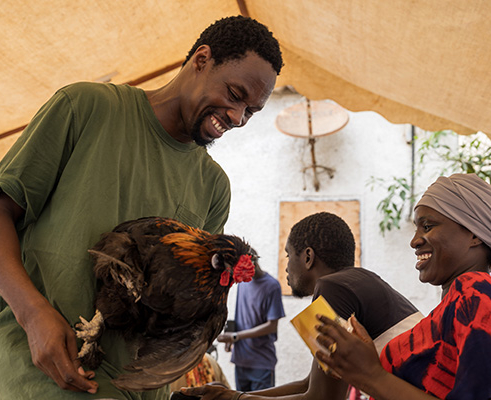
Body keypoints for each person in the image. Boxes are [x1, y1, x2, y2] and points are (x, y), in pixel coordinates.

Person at [0, 15, 283, 400]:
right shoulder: (86, 108)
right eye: (234, 95)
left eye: (251, 111)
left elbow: (181, 311)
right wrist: (32, 314)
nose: (237, 118)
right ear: (201, 59)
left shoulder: (213, 187)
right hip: (38, 382)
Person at [182, 211, 423, 400]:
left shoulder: (332, 286)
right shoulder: (361, 279)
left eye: (288, 255)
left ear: (308, 257)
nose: (286, 267)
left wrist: (235, 399)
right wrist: (233, 395)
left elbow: (321, 398)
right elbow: (311, 384)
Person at [314, 173, 491, 400]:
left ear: (473, 235)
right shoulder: (454, 304)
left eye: (427, 226)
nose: (414, 241)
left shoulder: (475, 293)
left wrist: (371, 375)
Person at [216, 249, 285, 391]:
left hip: (261, 362)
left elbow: (272, 326)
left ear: (253, 261)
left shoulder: (272, 286)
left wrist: (236, 336)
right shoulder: (243, 282)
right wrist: (230, 336)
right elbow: (241, 313)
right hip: (241, 360)